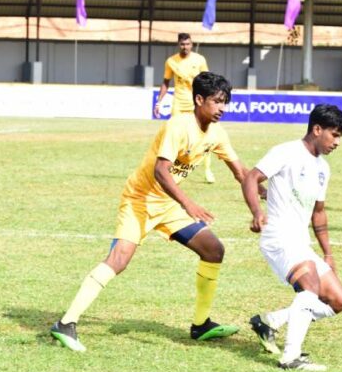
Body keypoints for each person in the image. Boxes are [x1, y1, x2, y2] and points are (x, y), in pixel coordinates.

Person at [51, 72, 260, 351]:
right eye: (217, 102)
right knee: (119, 259)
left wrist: (266, 194)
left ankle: (201, 326)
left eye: (225, 102)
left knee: (213, 250)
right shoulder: (179, 126)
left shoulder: (217, 134)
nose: (222, 108)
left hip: (168, 205)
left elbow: (241, 173)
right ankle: (65, 324)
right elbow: (160, 170)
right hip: (140, 199)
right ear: (199, 100)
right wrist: (188, 203)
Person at [243, 104, 342, 371]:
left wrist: (327, 253)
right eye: (334, 135)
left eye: (340, 137)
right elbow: (250, 178)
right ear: (317, 129)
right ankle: (291, 357)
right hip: (279, 237)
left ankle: (271, 321)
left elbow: (319, 213)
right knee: (310, 289)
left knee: (337, 301)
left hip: (301, 243)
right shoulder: (286, 152)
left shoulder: (323, 168)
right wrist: (257, 212)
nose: (337, 142)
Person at [153, 33, 216, 183]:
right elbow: (166, 82)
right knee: (174, 136)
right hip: (178, 104)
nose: (185, 47)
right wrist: (158, 102)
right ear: (178, 44)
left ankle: (207, 169)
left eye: (187, 44)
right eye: (182, 44)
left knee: (204, 138)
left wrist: (210, 101)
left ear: (192, 44)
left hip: (197, 104)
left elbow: (208, 80)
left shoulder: (200, 60)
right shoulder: (171, 61)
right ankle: (173, 170)